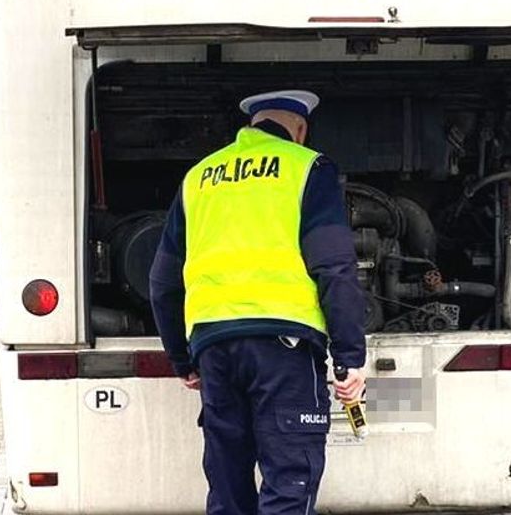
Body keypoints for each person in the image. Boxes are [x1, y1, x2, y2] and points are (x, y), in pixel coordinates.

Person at [148, 89, 367, 515]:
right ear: (299, 129)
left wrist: (182, 359)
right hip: (284, 348)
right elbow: (334, 266)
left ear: (252, 124)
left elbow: (162, 281)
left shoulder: (198, 177)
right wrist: (349, 356)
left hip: (213, 349)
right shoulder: (307, 166)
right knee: (288, 483)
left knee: (228, 490)